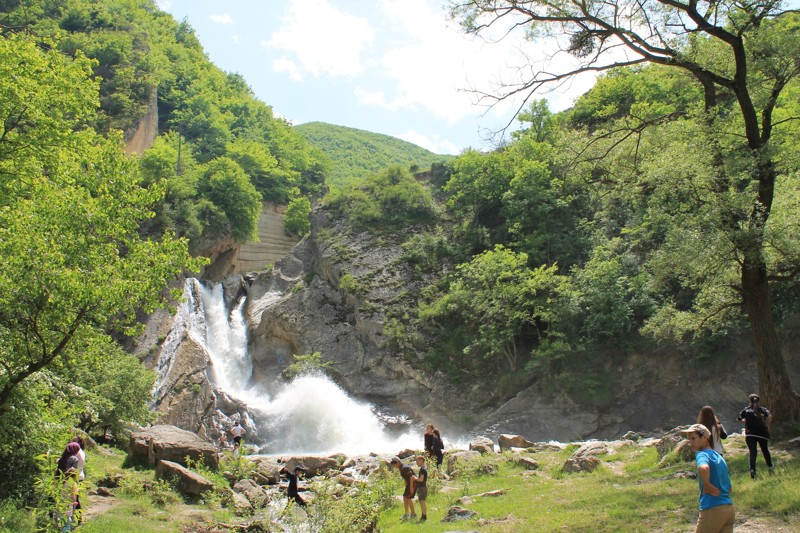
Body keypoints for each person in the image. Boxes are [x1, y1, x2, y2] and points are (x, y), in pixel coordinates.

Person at [680, 423, 735, 533]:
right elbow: (729, 488)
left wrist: (707, 485)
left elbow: (703, 468)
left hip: (712, 509)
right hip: (728, 509)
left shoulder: (702, 454)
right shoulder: (718, 457)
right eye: (689, 439)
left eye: (693, 438)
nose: (690, 443)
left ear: (704, 438)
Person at [737, 393, 774, 479]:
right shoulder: (763, 409)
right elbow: (769, 416)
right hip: (762, 434)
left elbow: (739, 418)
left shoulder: (746, 410)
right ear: (759, 400)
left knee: (753, 452)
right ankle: (770, 466)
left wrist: (745, 421)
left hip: (750, 434)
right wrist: (768, 427)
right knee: (765, 450)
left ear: (749, 401)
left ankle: (753, 470)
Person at [54, 442, 81, 532]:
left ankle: (58, 526)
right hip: (69, 483)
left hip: (59, 483)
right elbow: (73, 472)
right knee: (68, 512)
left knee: (59, 510)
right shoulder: (74, 459)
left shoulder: (61, 459)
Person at [389, 456, 416, 521]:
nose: (394, 466)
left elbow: (411, 477)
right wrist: (406, 483)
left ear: (398, 462)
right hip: (409, 483)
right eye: (393, 465)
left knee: (408, 498)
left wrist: (411, 487)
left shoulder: (405, 468)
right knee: (405, 497)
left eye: (394, 464)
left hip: (413, 482)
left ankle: (413, 514)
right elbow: (406, 477)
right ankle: (406, 514)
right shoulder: (400, 468)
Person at [70, 436, 86, 523]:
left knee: (74, 498)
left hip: (75, 477)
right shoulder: (81, 452)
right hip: (80, 476)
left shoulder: (77, 453)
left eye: (73, 441)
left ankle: (77, 518)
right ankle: (77, 518)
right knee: (75, 498)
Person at [411, 455, 428, 522]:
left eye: (417, 461)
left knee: (422, 501)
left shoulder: (423, 469)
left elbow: (421, 479)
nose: (416, 463)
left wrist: (414, 478)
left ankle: (424, 516)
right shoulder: (423, 468)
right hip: (422, 487)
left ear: (421, 461)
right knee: (421, 501)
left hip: (422, 487)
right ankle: (423, 515)